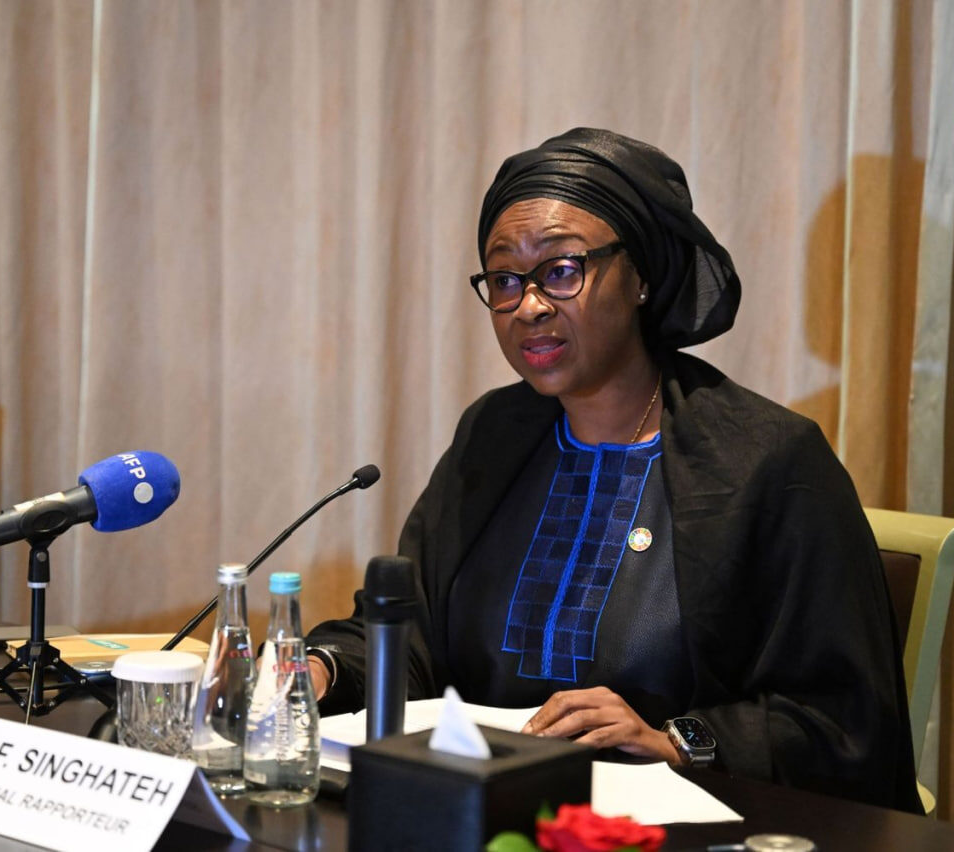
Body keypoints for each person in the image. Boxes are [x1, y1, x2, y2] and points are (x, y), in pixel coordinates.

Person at [305, 128, 921, 812]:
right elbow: (410, 638)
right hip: (489, 811)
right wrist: (318, 669)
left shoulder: (768, 462)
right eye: (505, 280)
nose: (529, 306)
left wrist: (672, 739)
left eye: (561, 271)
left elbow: (842, 720)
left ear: (642, 277)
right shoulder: (492, 436)